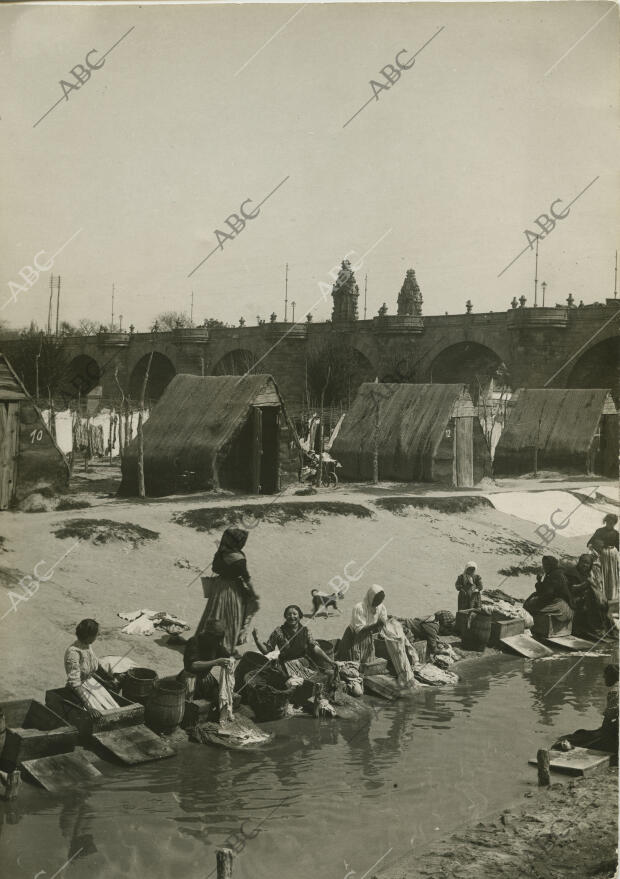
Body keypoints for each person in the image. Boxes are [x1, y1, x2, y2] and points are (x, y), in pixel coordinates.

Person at [197, 527, 260, 654]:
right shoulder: (239, 558)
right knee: (232, 617)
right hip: (232, 589)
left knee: (215, 614)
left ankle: (207, 645)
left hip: (219, 587)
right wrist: (253, 593)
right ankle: (224, 647)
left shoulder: (221, 554)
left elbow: (215, 569)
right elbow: (246, 577)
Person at [253, 605, 337, 682]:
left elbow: (315, 648)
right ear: (285, 616)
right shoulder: (278, 631)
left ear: (299, 616)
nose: (292, 617)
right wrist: (257, 640)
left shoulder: (305, 631)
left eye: (294, 614)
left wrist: (330, 661)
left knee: (322, 678)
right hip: (285, 666)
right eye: (289, 614)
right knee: (294, 683)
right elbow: (267, 651)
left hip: (304, 664)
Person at [177, 619, 237, 722]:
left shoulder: (215, 644)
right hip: (191, 679)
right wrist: (216, 662)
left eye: (220, 637)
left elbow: (227, 656)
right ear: (208, 634)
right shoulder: (194, 641)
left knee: (219, 698)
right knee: (189, 708)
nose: (218, 640)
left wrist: (230, 661)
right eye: (217, 637)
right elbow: (193, 665)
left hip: (205, 678)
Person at [64, 619, 119, 719]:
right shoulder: (73, 653)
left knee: (113, 708)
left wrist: (109, 679)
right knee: (100, 715)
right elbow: (74, 682)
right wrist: (89, 707)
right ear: (89, 636)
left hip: (91, 683)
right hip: (79, 689)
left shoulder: (87, 645)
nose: (97, 636)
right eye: (96, 634)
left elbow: (96, 666)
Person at [335, 585, 387, 666]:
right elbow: (359, 630)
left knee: (367, 663)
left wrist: (382, 625)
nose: (378, 603)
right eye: (376, 600)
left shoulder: (380, 607)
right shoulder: (359, 608)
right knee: (351, 663)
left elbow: (383, 620)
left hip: (368, 637)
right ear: (371, 597)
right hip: (354, 637)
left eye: (380, 601)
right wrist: (377, 625)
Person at [523, 556, 573, 637]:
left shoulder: (556, 575)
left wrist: (537, 600)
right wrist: (539, 581)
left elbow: (548, 594)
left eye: (548, 565)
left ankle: (534, 627)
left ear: (553, 565)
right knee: (531, 603)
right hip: (554, 600)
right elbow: (546, 591)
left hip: (561, 604)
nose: (545, 567)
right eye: (544, 565)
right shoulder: (552, 574)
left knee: (530, 606)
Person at [588, 515, 619, 601]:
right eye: (609, 522)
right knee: (601, 573)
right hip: (602, 555)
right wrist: (592, 547)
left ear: (615, 523)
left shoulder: (616, 534)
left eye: (612, 523)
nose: (610, 524)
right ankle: (602, 593)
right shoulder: (599, 531)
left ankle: (611, 595)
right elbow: (590, 542)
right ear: (606, 521)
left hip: (613, 555)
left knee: (611, 573)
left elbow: (618, 546)